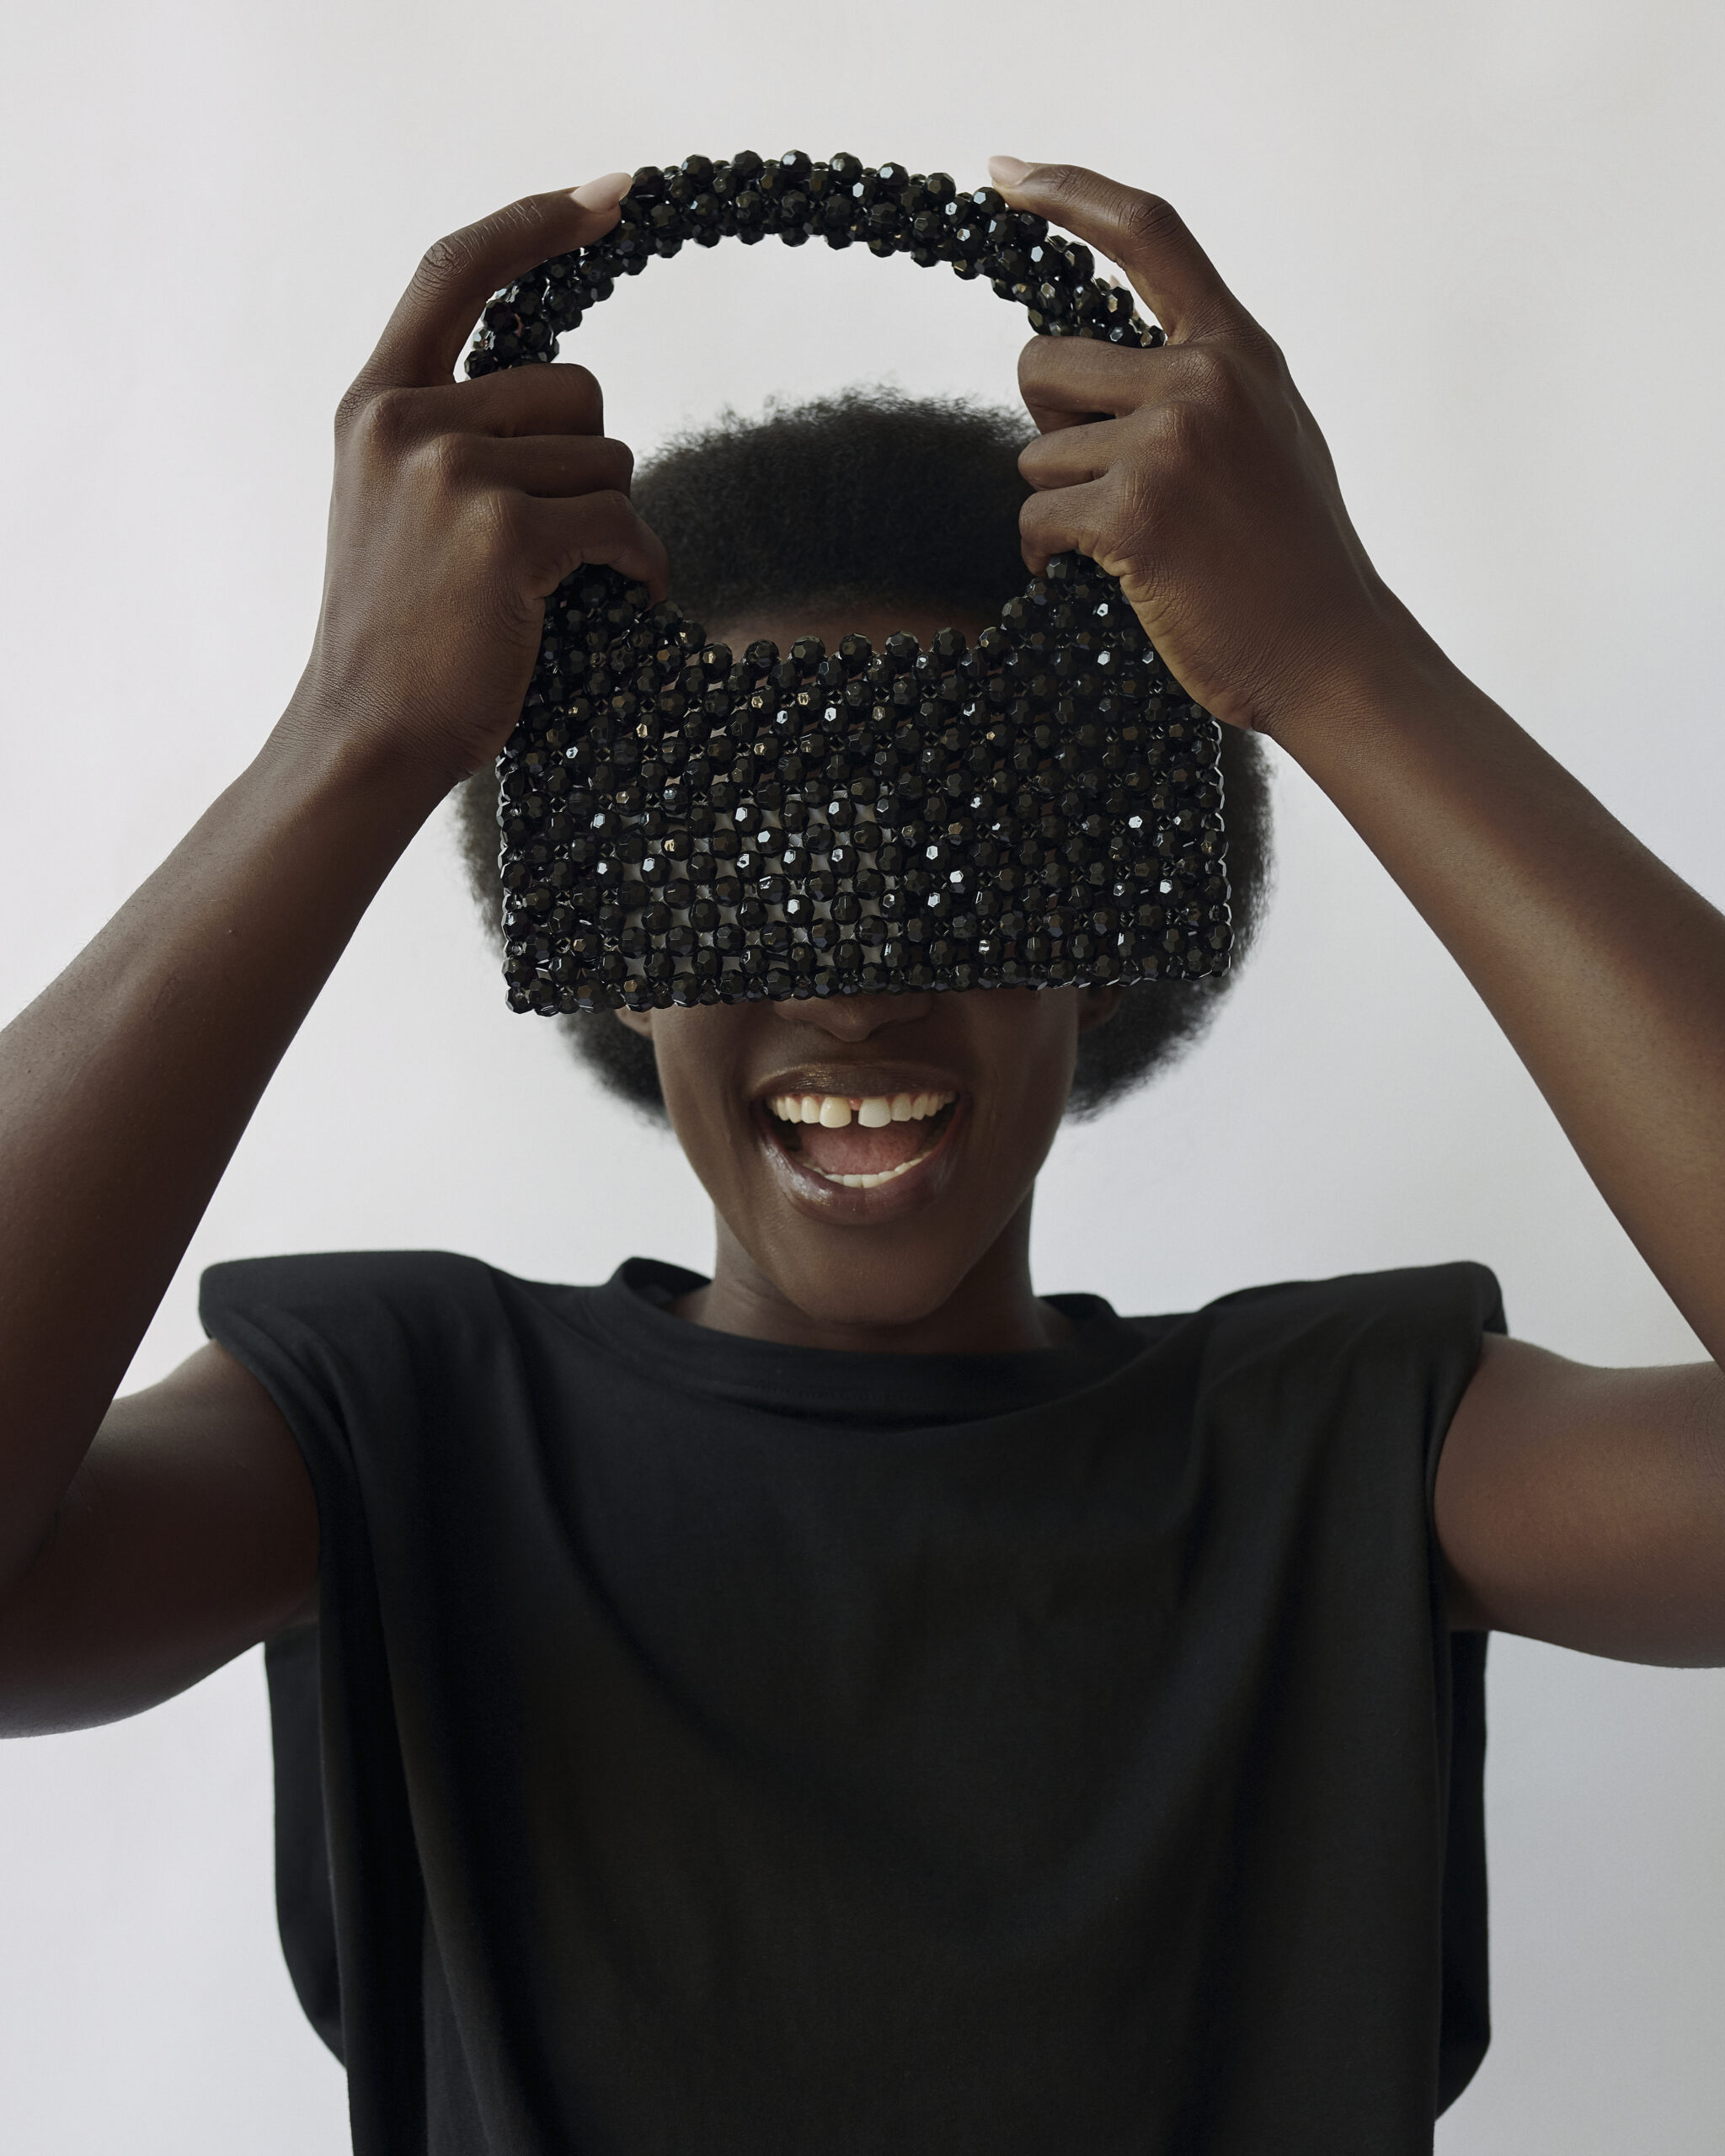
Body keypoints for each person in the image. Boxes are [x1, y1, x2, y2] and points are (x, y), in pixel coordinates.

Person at [0, 155, 1722, 2156]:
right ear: (616, 939)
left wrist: (1340, 659)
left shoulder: (1339, 1445)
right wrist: (351, 733)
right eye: (744, 866)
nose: (856, 980)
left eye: (964, 853)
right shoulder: (401, 1422)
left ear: (1102, 923)